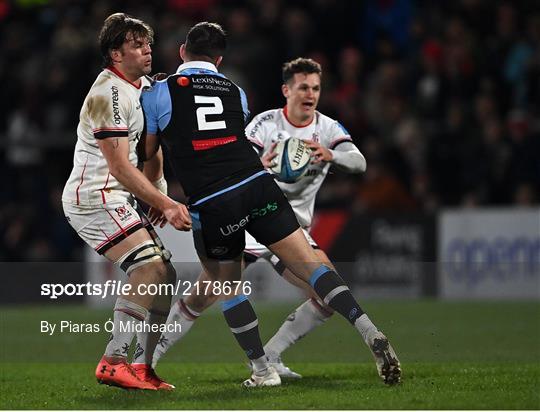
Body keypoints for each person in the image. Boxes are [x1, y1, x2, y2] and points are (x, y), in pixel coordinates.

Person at [141, 22, 401, 387]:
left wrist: (157, 192)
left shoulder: (159, 91)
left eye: (315, 88)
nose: (309, 94)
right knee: (314, 271)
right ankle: (368, 327)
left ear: (182, 51)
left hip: (217, 200)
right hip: (259, 191)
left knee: (224, 285)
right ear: (219, 59)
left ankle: (262, 369)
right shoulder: (237, 92)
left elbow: (150, 150)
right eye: (303, 87)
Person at [61, 13, 191, 391]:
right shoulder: (107, 94)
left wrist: (157, 191)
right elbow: (118, 165)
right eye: (136, 44)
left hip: (116, 195)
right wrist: (166, 204)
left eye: (147, 42)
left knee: (166, 277)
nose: (147, 49)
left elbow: (151, 150)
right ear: (115, 53)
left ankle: (143, 367)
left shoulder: (146, 88)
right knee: (149, 268)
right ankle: (114, 360)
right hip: (92, 197)